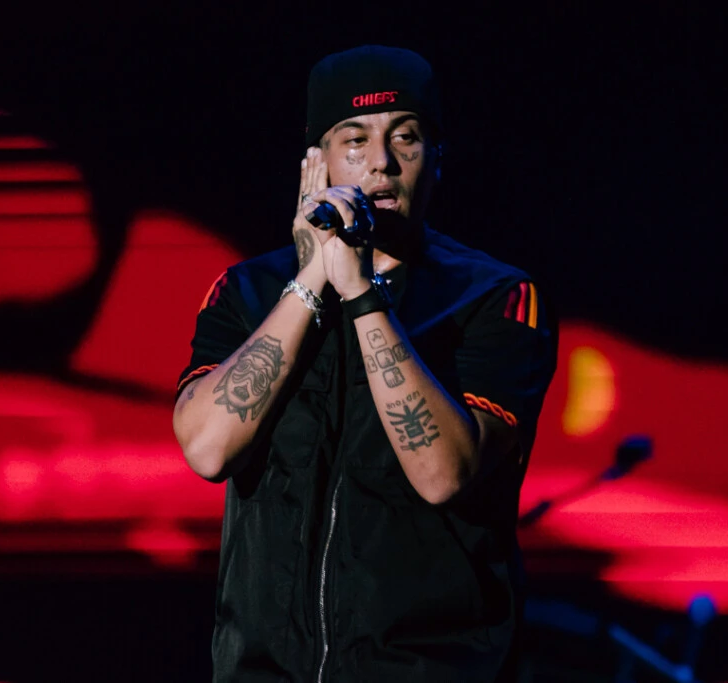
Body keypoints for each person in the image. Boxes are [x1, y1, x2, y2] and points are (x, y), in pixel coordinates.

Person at [173, 45, 557, 683]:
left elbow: (443, 473)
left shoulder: (493, 297)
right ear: (317, 163)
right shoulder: (246, 292)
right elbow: (208, 449)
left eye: (405, 137)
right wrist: (310, 280)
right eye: (355, 140)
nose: (381, 161)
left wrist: (359, 292)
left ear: (436, 156)